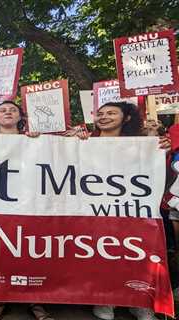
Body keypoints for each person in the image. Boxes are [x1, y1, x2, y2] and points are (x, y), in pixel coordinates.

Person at [74, 102, 169, 320]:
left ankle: (140, 302)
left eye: (111, 113)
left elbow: (154, 173)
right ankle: (106, 299)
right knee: (101, 253)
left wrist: (157, 146)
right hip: (94, 208)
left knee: (135, 252)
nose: (104, 117)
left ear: (126, 118)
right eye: (100, 114)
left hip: (130, 209)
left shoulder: (141, 144)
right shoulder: (84, 142)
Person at [0, 100, 51, 320]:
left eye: (13, 110)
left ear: (21, 117)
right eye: (2, 110)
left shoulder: (33, 140)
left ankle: (35, 301)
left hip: (27, 202)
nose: (8, 112)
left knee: (29, 251)